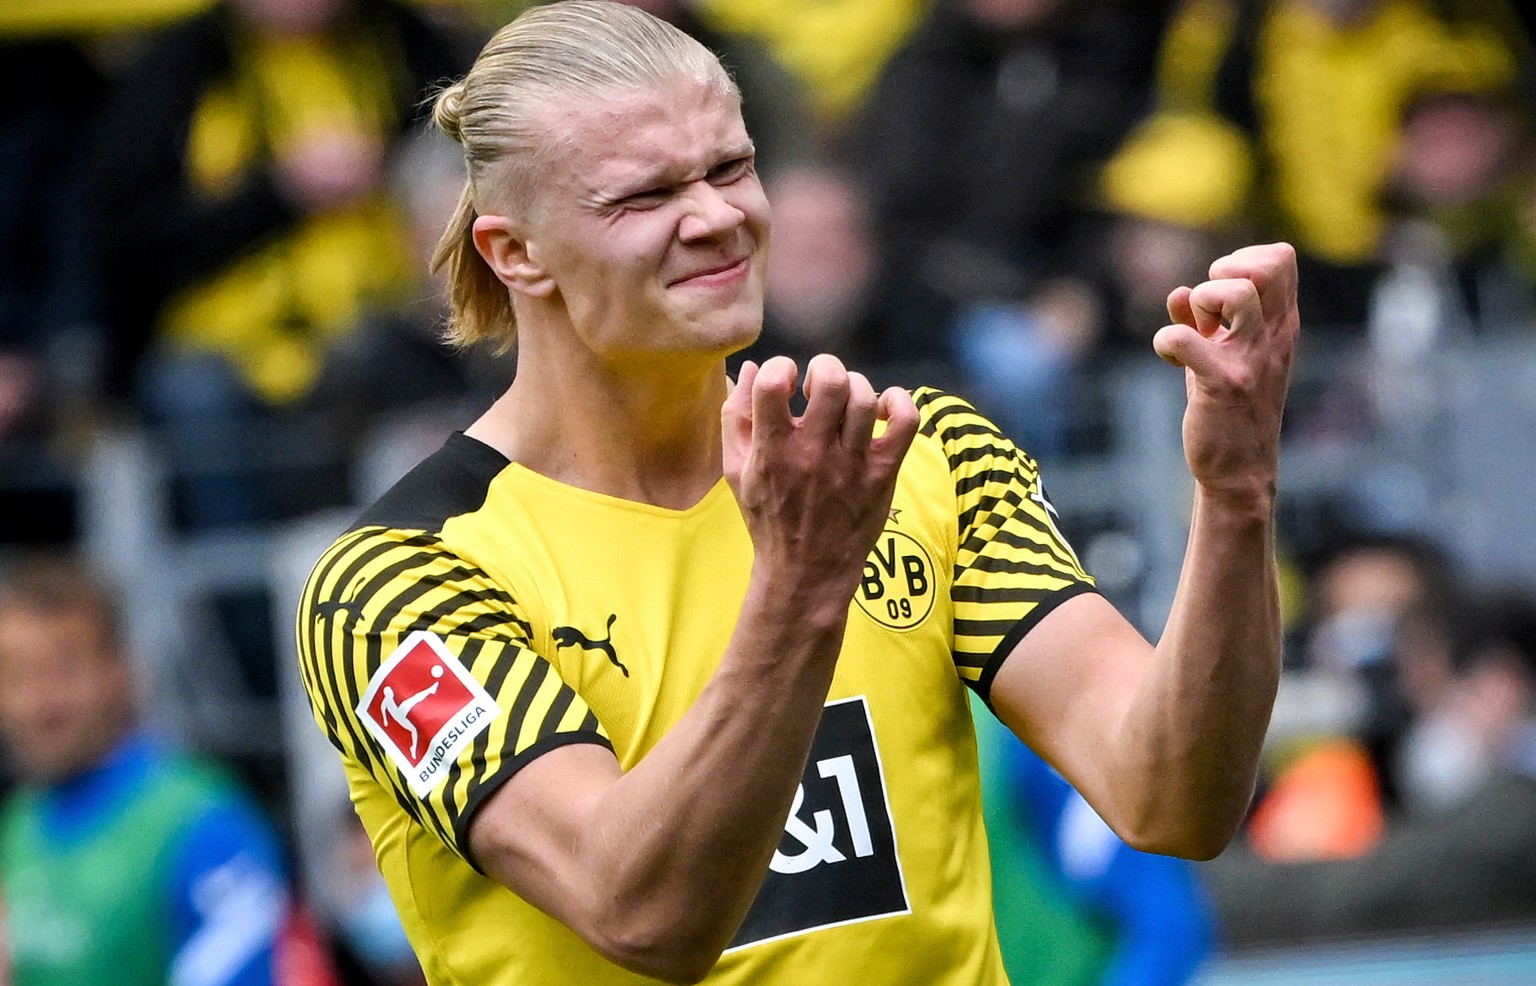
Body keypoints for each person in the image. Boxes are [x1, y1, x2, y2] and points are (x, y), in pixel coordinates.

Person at [293, 3, 1299, 984]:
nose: (718, 217)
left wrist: (1237, 490)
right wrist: (802, 589)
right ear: (513, 251)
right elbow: (641, 911)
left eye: (730, 166)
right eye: (643, 196)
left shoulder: (916, 453)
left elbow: (1173, 794)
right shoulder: (398, 583)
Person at [0, 554, 292, 986]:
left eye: (63, 671)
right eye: (16, 676)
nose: (39, 704)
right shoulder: (19, 826)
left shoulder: (200, 820)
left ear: (123, 671)